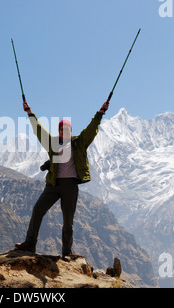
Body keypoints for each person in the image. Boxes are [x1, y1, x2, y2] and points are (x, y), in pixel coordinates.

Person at [15, 100, 109, 258]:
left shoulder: (79, 142)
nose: (63, 131)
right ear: (58, 131)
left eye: (66, 129)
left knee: (67, 221)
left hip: (70, 185)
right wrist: (29, 113)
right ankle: (30, 244)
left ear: (70, 131)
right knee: (38, 210)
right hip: (53, 184)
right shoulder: (52, 143)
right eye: (61, 129)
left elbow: (91, 129)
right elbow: (39, 130)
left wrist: (100, 113)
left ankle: (66, 252)